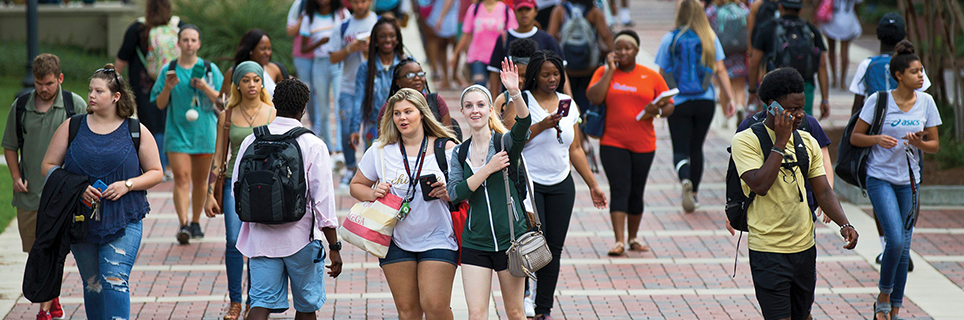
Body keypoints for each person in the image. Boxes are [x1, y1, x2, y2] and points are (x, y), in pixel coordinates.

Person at [731, 67, 858, 320]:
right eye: (792, 109)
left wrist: (844, 223)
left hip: (804, 248)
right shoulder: (745, 141)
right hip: (768, 250)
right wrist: (780, 142)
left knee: (802, 315)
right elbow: (760, 185)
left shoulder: (807, 141)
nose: (800, 115)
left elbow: (823, 191)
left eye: (802, 108)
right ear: (772, 106)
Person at [40, 64, 164, 320]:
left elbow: (156, 172)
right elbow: (48, 165)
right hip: (81, 220)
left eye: (99, 91)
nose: (91, 96)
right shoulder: (73, 126)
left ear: (116, 96)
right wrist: (76, 188)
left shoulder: (135, 130)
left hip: (124, 218)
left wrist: (127, 185)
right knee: (93, 285)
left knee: (115, 279)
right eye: (90, 90)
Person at [233, 78, 343, 320]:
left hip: (261, 239)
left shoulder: (252, 140)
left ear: (274, 103)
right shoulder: (312, 144)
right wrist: (334, 247)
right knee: (306, 307)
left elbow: (236, 189)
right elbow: (323, 202)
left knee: (260, 304)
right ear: (304, 107)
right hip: (301, 239)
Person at [849, 41, 940, 320]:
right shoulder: (879, 100)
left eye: (921, 71)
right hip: (880, 177)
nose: (921, 76)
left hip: (909, 181)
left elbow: (934, 144)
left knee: (904, 248)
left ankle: (894, 309)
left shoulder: (926, 102)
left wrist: (919, 143)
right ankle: (884, 296)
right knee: (896, 240)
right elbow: (855, 137)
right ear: (899, 75)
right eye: (915, 72)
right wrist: (877, 139)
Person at [349, 88, 459, 319]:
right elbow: (356, 185)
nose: (402, 118)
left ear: (422, 114)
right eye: (397, 113)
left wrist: (450, 193)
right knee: (408, 312)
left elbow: (468, 191)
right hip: (394, 239)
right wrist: (373, 193)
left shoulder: (447, 148)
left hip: (438, 236)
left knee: (435, 306)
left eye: (408, 111)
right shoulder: (380, 150)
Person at [518, 50, 607, 320]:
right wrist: (541, 125)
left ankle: (543, 309)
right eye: (546, 74)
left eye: (556, 74)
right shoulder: (522, 101)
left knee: (553, 249)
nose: (552, 79)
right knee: (532, 245)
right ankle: (523, 299)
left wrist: (593, 185)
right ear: (535, 75)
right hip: (529, 185)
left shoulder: (569, 103)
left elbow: (575, 148)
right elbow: (511, 141)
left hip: (561, 184)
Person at [2, 53, 86, 320]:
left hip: (63, 195)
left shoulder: (75, 105)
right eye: (39, 83)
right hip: (29, 196)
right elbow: (10, 146)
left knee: (52, 250)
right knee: (37, 251)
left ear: (60, 78)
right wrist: (15, 176)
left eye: (49, 83)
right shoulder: (20, 106)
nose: (43, 89)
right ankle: (52, 298)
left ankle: (44, 310)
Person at [446, 59, 530, 320]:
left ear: (490, 109)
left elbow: (524, 124)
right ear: (462, 111)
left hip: (511, 240)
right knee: (477, 313)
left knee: (515, 312)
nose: (475, 110)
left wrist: (514, 92)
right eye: (469, 106)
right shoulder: (459, 153)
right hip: (475, 241)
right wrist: (487, 169)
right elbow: (455, 193)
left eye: (481, 105)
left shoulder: (505, 143)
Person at [848, 13, 929, 269]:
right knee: (913, 191)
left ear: (878, 36)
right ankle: (905, 246)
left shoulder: (867, 64)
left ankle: (887, 247)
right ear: (904, 35)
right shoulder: (912, 65)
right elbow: (923, 100)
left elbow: (857, 106)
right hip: (910, 142)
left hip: (878, 143)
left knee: (880, 196)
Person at [587, 30, 674, 256]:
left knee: (637, 190)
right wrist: (609, 71)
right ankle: (619, 241)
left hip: (644, 144)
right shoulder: (603, 72)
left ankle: (633, 237)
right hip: (612, 142)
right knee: (619, 189)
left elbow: (669, 106)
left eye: (628, 48)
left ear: (637, 51)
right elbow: (594, 97)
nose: (623, 52)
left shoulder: (651, 76)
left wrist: (657, 111)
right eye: (619, 48)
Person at [202, 61, 277, 320]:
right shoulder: (227, 115)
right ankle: (235, 301)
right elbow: (218, 157)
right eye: (246, 80)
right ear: (237, 84)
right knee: (233, 241)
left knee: (256, 244)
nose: (252, 84)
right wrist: (209, 194)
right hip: (234, 183)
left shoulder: (273, 113)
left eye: (256, 79)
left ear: (262, 83)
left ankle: (253, 301)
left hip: (264, 185)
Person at [655, 0, 736, 213]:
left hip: (678, 102)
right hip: (705, 101)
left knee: (680, 148)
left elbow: (661, 74)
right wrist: (729, 98)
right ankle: (694, 194)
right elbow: (720, 70)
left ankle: (684, 179)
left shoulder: (670, 39)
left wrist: (659, 101)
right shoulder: (709, 37)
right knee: (696, 147)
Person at [150, 24, 225, 244]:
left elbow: (223, 101)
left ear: (199, 43)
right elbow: (159, 104)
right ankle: (183, 224)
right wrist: (168, 87)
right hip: (177, 132)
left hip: (205, 133)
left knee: (201, 181)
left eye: (193, 40)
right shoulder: (169, 70)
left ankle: (195, 222)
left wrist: (205, 88)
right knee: (181, 178)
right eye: (185, 40)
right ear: (178, 43)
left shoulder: (209, 69)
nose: (189, 44)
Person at [115, 0, 183, 179]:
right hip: (172, 83)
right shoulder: (178, 26)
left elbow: (122, 58)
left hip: (144, 85)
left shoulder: (137, 29)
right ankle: (171, 166)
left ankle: (156, 166)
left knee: (151, 125)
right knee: (169, 122)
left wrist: (113, 81)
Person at [747, 0, 830, 119]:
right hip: (804, 88)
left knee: (772, 124)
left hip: (775, 88)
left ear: (780, 7)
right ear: (800, 9)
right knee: (803, 124)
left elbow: (754, 62)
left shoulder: (768, 28)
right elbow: (822, 65)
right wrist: (825, 99)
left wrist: (752, 91)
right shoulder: (811, 30)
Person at [329, 0, 378, 188]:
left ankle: (370, 172)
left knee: (371, 132)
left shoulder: (378, 23)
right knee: (347, 130)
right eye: (356, 1)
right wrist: (351, 48)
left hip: (374, 88)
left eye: (363, 1)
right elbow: (333, 57)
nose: (360, 5)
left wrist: (372, 48)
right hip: (348, 88)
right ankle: (350, 168)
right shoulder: (342, 27)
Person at [486, 0, 569, 96]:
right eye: (520, 10)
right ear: (514, 12)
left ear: (536, 11)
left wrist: (570, 98)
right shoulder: (504, 38)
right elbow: (495, 72)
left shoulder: (547, 39)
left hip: (540, 98)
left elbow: (561, 70)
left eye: (528, 9)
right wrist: (494, 100)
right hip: (511, 98)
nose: (524, 13)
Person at [546, 0, 614, 115]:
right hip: (589, 68)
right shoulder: (593, 11)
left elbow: (551, 37)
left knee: (567, 107)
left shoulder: (560, 10)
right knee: (587, 108)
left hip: (567, 70)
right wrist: (616, 54)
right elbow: (606, 36)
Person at [350, 18, 407, 147]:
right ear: (375, 40)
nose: (388, 40)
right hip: (373, 128)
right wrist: (354, 128)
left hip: (402, 127)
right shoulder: (366, 68)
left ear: (397, 38)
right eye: (382, 36)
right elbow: (358, 100)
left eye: (392, 35)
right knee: (373, 159)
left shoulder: (407, 65)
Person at [301, 0, 347, 148]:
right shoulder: (309, 18)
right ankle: (328, 148)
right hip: (319, 63)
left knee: (339, 105)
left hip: (338, 63)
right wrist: (320, 42)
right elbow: (303, 49)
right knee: (323, 109)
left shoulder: (341, 13)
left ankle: (339, 148)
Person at [451, 0, 518, 87]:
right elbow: (466, 34)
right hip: (477, 57)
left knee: (497, 89)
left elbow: (513, 34)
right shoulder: (474, 9)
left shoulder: (506, 10)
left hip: (499, 58)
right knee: (479, 86)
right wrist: (455, 54)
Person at [376, 58, 453, 132]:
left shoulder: (436, 101)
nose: (417, 78)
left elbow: (449, 134)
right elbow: (383, 139)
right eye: (410, 75)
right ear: (398, 82)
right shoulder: (389, 107)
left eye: (420, 74)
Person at [706, 0, 749, 119]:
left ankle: (727, 116)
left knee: (723, 86)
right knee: (739, 87)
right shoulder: (742, 9)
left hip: (721, 53)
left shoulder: (713, 10)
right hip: (739, 53)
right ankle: (740, 106)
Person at [217, 29, 289, 101]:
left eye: (269, 49)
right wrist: (221, 101)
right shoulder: (233, 72)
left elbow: (289, 92)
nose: (267, 53)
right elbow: (222, 99)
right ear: (251, 50)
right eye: (263, 49)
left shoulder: (275, 69)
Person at [494, 38, 539, 124]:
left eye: (524, 76)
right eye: (515, 76)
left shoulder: (540, 97)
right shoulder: (503, 99)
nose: (520, 81)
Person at [820, 0, 861, 90]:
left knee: (831, 49)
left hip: (832, 18)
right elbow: (857, 5)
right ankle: (842, 81)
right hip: (848, 18)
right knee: (845, 51)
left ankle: (834, 79)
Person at [425, 0, 459, 88]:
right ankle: (449, 77)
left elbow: (449, 1)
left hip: (448, 17)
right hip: (445, 15)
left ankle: (450, 77)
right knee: (445, 47)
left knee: (447, 47)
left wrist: (441, 18)